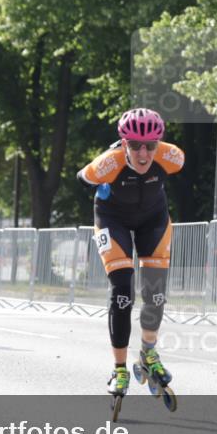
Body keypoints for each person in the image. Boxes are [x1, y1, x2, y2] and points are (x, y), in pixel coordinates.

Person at [76, 108, 185, 399]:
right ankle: (120, 368)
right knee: (123, 290)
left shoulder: (171, 156)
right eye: (135, 145)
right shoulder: (106, 164)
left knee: (156, 292)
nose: (143, 153)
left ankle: (148, 355)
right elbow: (82, 178)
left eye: (150, 145)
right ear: (124, 143)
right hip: (113, 220)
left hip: (153, 218)